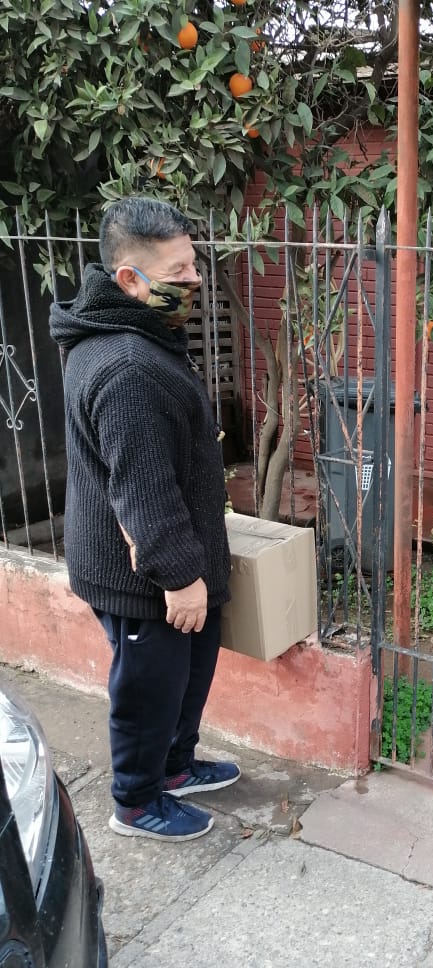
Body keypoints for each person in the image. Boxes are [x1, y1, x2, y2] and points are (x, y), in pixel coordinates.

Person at [50, 196, 239, 841]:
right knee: (149, 691)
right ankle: (135, 800)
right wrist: (181, 578)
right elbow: (141, 489)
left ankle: (176, 768)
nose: (195, 281)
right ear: (130, 280)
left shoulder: (138, 335)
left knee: (188, 671)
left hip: (172, 560)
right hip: (144, 577)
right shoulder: (127, 365)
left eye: (193, 266)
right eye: (180, 272)